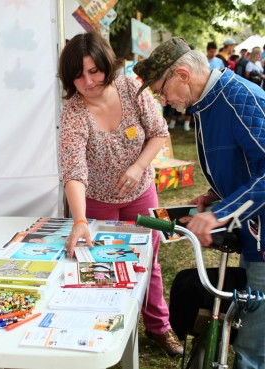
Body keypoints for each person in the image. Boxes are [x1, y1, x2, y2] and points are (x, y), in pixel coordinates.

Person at [133, 36, 265, 369]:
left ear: (182, 74)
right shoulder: (208, 102)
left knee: (252, 347)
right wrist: (215, 197)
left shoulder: (239, 98)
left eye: (161, 90)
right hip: (255, 233)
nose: (162, 99)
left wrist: (220, 213)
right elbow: (247, 164)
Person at [58, 31, 184, 356]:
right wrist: (80, 219)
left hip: (142, 193)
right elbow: (74, 171)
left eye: (93, 71)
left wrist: (138, 167)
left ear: (106, 64)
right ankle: (105, 331)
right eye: (78, 75)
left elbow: (158, 132)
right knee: (103, 265)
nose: (87, 81)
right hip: (98, 201)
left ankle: (159, 327)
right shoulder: (73, 112)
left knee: (149, 260)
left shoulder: (131, 87)